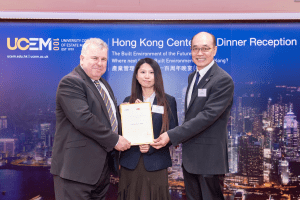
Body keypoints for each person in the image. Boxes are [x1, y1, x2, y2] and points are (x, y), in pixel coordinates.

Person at [151, 32, 234, 200]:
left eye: (205, 48)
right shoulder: (193, 77)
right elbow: (191, 116)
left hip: (209, 159)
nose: (199, 53)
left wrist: (172, 135)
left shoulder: (222, 80)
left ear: (215, 50)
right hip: (191, 159)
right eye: (195, 48)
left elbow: (207, 116)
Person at [50, 38, 131, 200]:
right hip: (75, 173)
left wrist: (130, 112)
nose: (99, 63)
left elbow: (108, 118)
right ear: (82, 59)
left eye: (103, 59)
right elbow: (83, 119)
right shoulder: (71, 82)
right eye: (95, 58)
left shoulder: (103, 85)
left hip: (100, 173)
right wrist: (115, 140)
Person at [118, 58, 178, 200]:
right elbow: (120, 134)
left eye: (151, 72)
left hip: (156, 163)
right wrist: (126, 112)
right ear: (136, 76)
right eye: (143, 72)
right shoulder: (128, 100)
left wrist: (152, 145)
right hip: (130, 162)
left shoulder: (168, 101)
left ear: (157, 76)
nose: (147, 76)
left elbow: (173, 133)